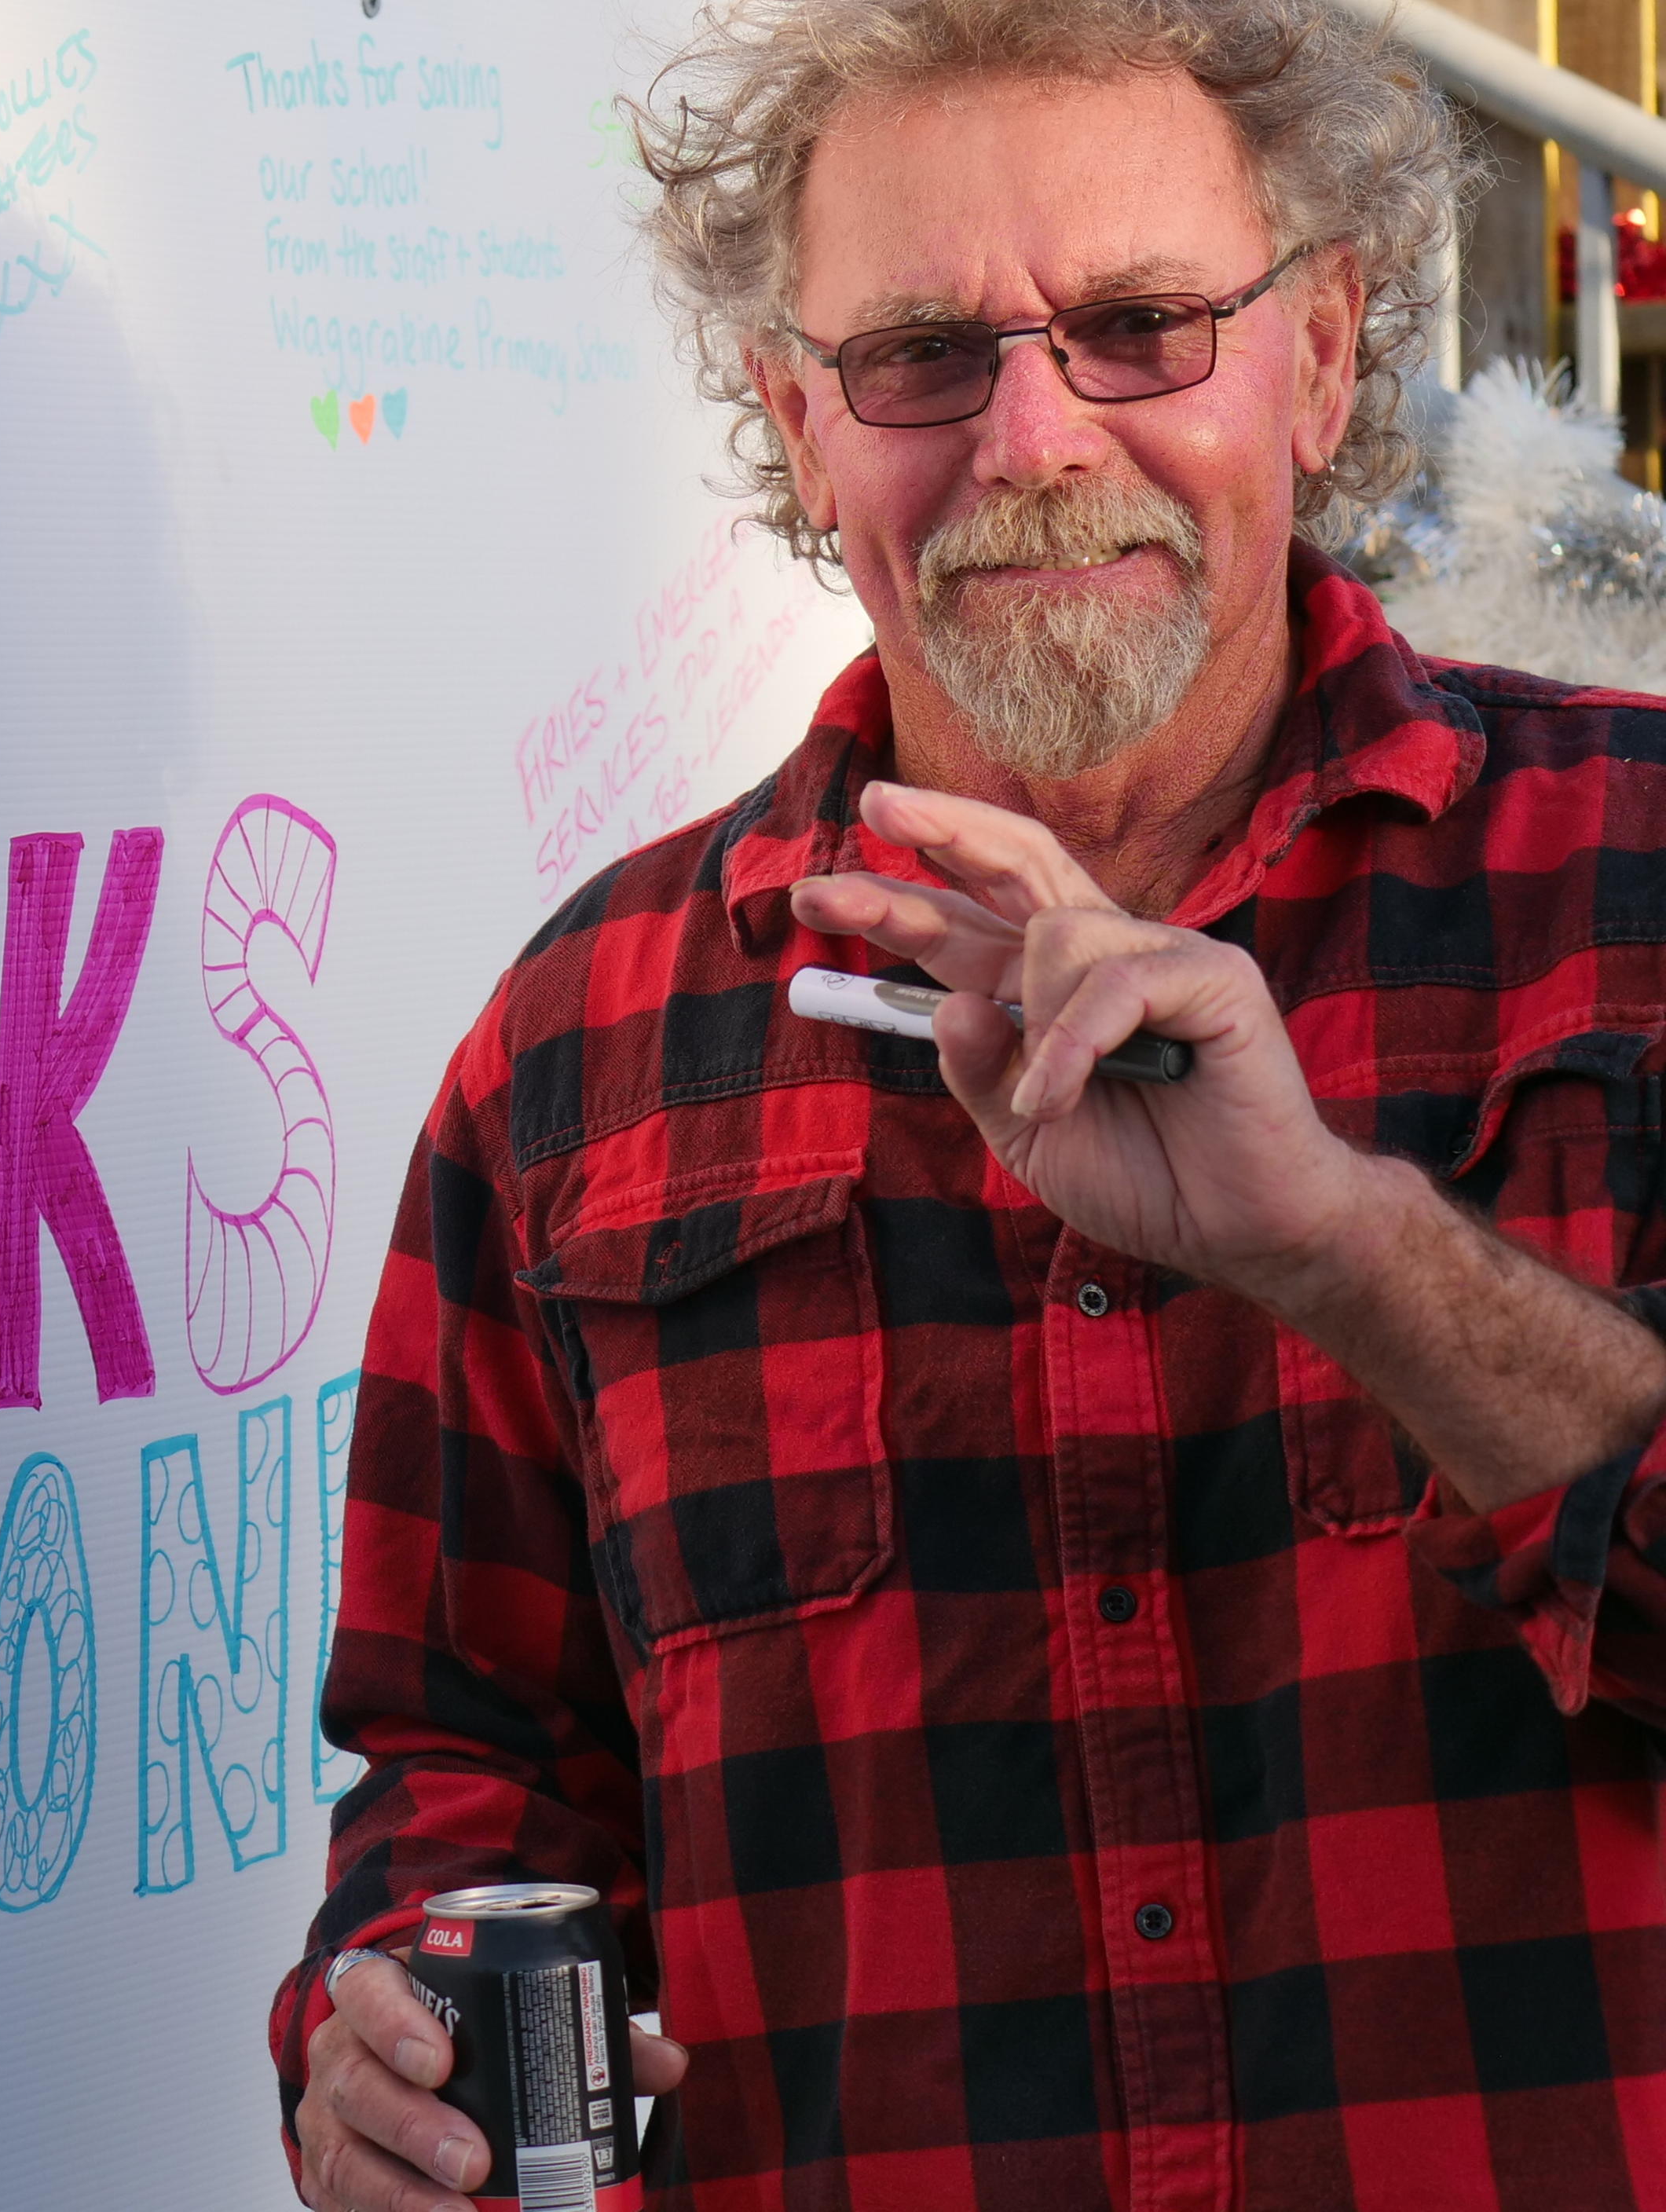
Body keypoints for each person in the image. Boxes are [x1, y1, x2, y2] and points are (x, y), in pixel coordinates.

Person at [272, 3, 1666, 2207]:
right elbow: (470, 1775)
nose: (1030, 439)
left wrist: (1349, 1242)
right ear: (801, 426)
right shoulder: (574, 1058)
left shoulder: (1637, 899)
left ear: (1320, 352)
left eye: (1136, 328)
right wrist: (383, 2057)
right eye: (924, 356)